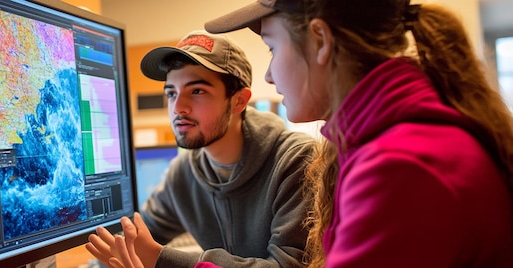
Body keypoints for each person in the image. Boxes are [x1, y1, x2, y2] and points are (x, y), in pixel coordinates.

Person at [202, 0, 513, 267]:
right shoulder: (385, 142)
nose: (269, 75)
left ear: (320, 40)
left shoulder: (399, 166)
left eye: (272, 47)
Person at [85, 30, 320, 268]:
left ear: (239, 101)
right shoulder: (184, 172)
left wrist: (162, 259)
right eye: (171, 93)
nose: (178, 108)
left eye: (197, 91)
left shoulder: (297, 161)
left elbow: (290, 266)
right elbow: (134, 242)